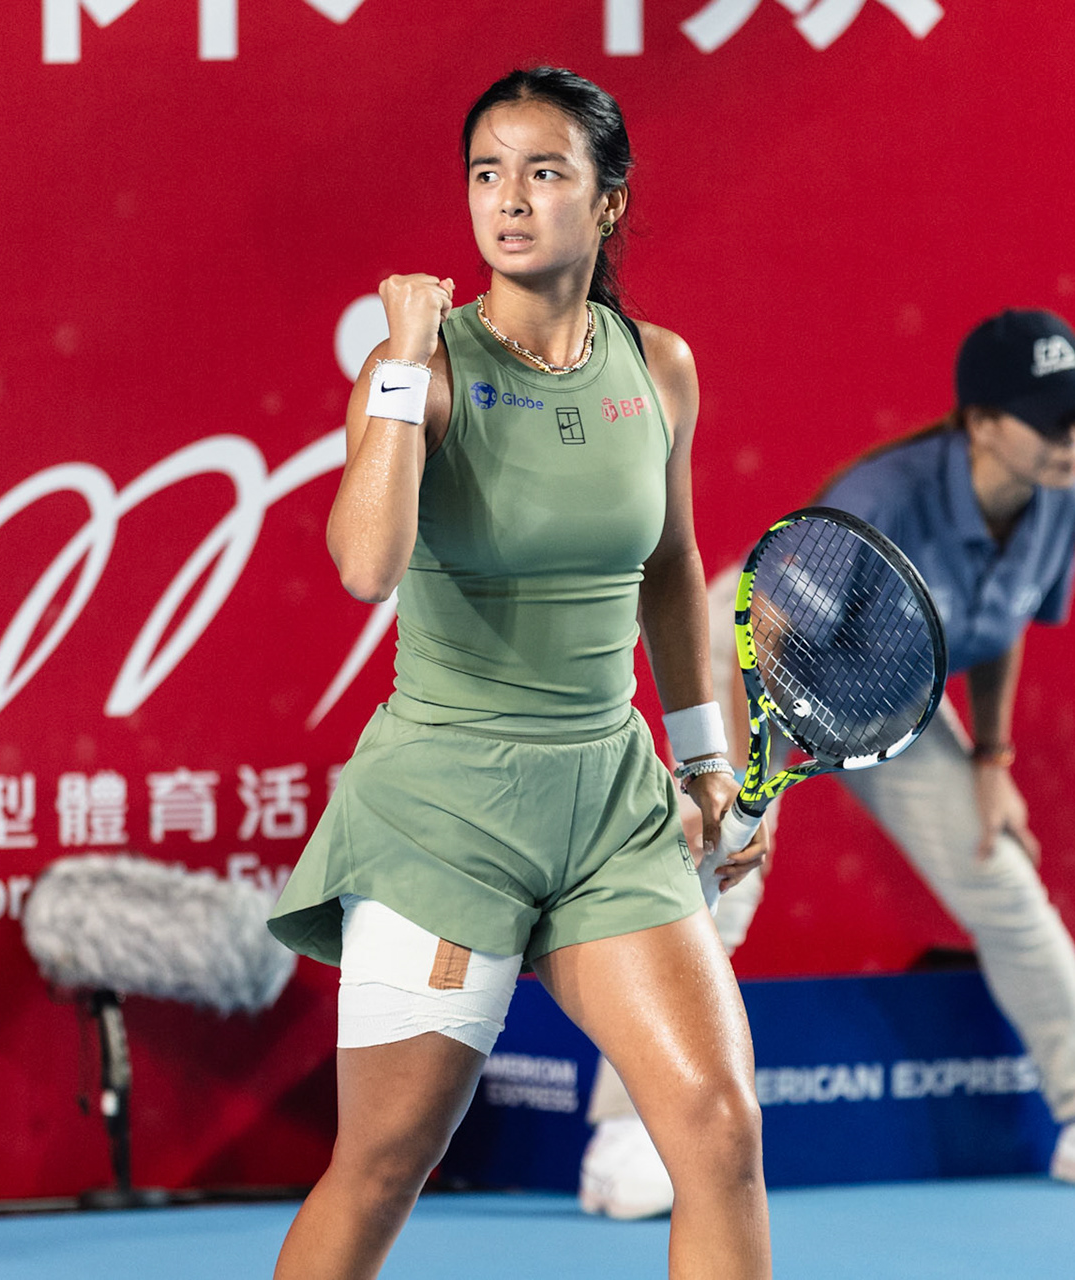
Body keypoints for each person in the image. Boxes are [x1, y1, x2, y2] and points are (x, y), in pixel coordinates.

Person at [266, 68, 772, 1279]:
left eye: (546, 171)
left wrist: (705, 754)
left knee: (720, 1131)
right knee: (385, 1164)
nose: (509, 199)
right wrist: (396, 362)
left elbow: (673, 561)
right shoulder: (423, 372)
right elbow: (362, 563)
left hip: (611, 803)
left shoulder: (660, 367)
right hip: (446, 815)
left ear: (606, 205)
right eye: (488, 172)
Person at [579, 310, 1075, 1219]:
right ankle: (625, 1136)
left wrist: (992, 758)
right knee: (717, 892)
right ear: (982, 423)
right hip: (757, 665)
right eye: (1050, 415)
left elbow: (1001, 625)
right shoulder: (884, 496)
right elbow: (769, 633)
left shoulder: (1062, 502)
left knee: (1004, 880)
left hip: (885, 693)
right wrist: (734, 785)